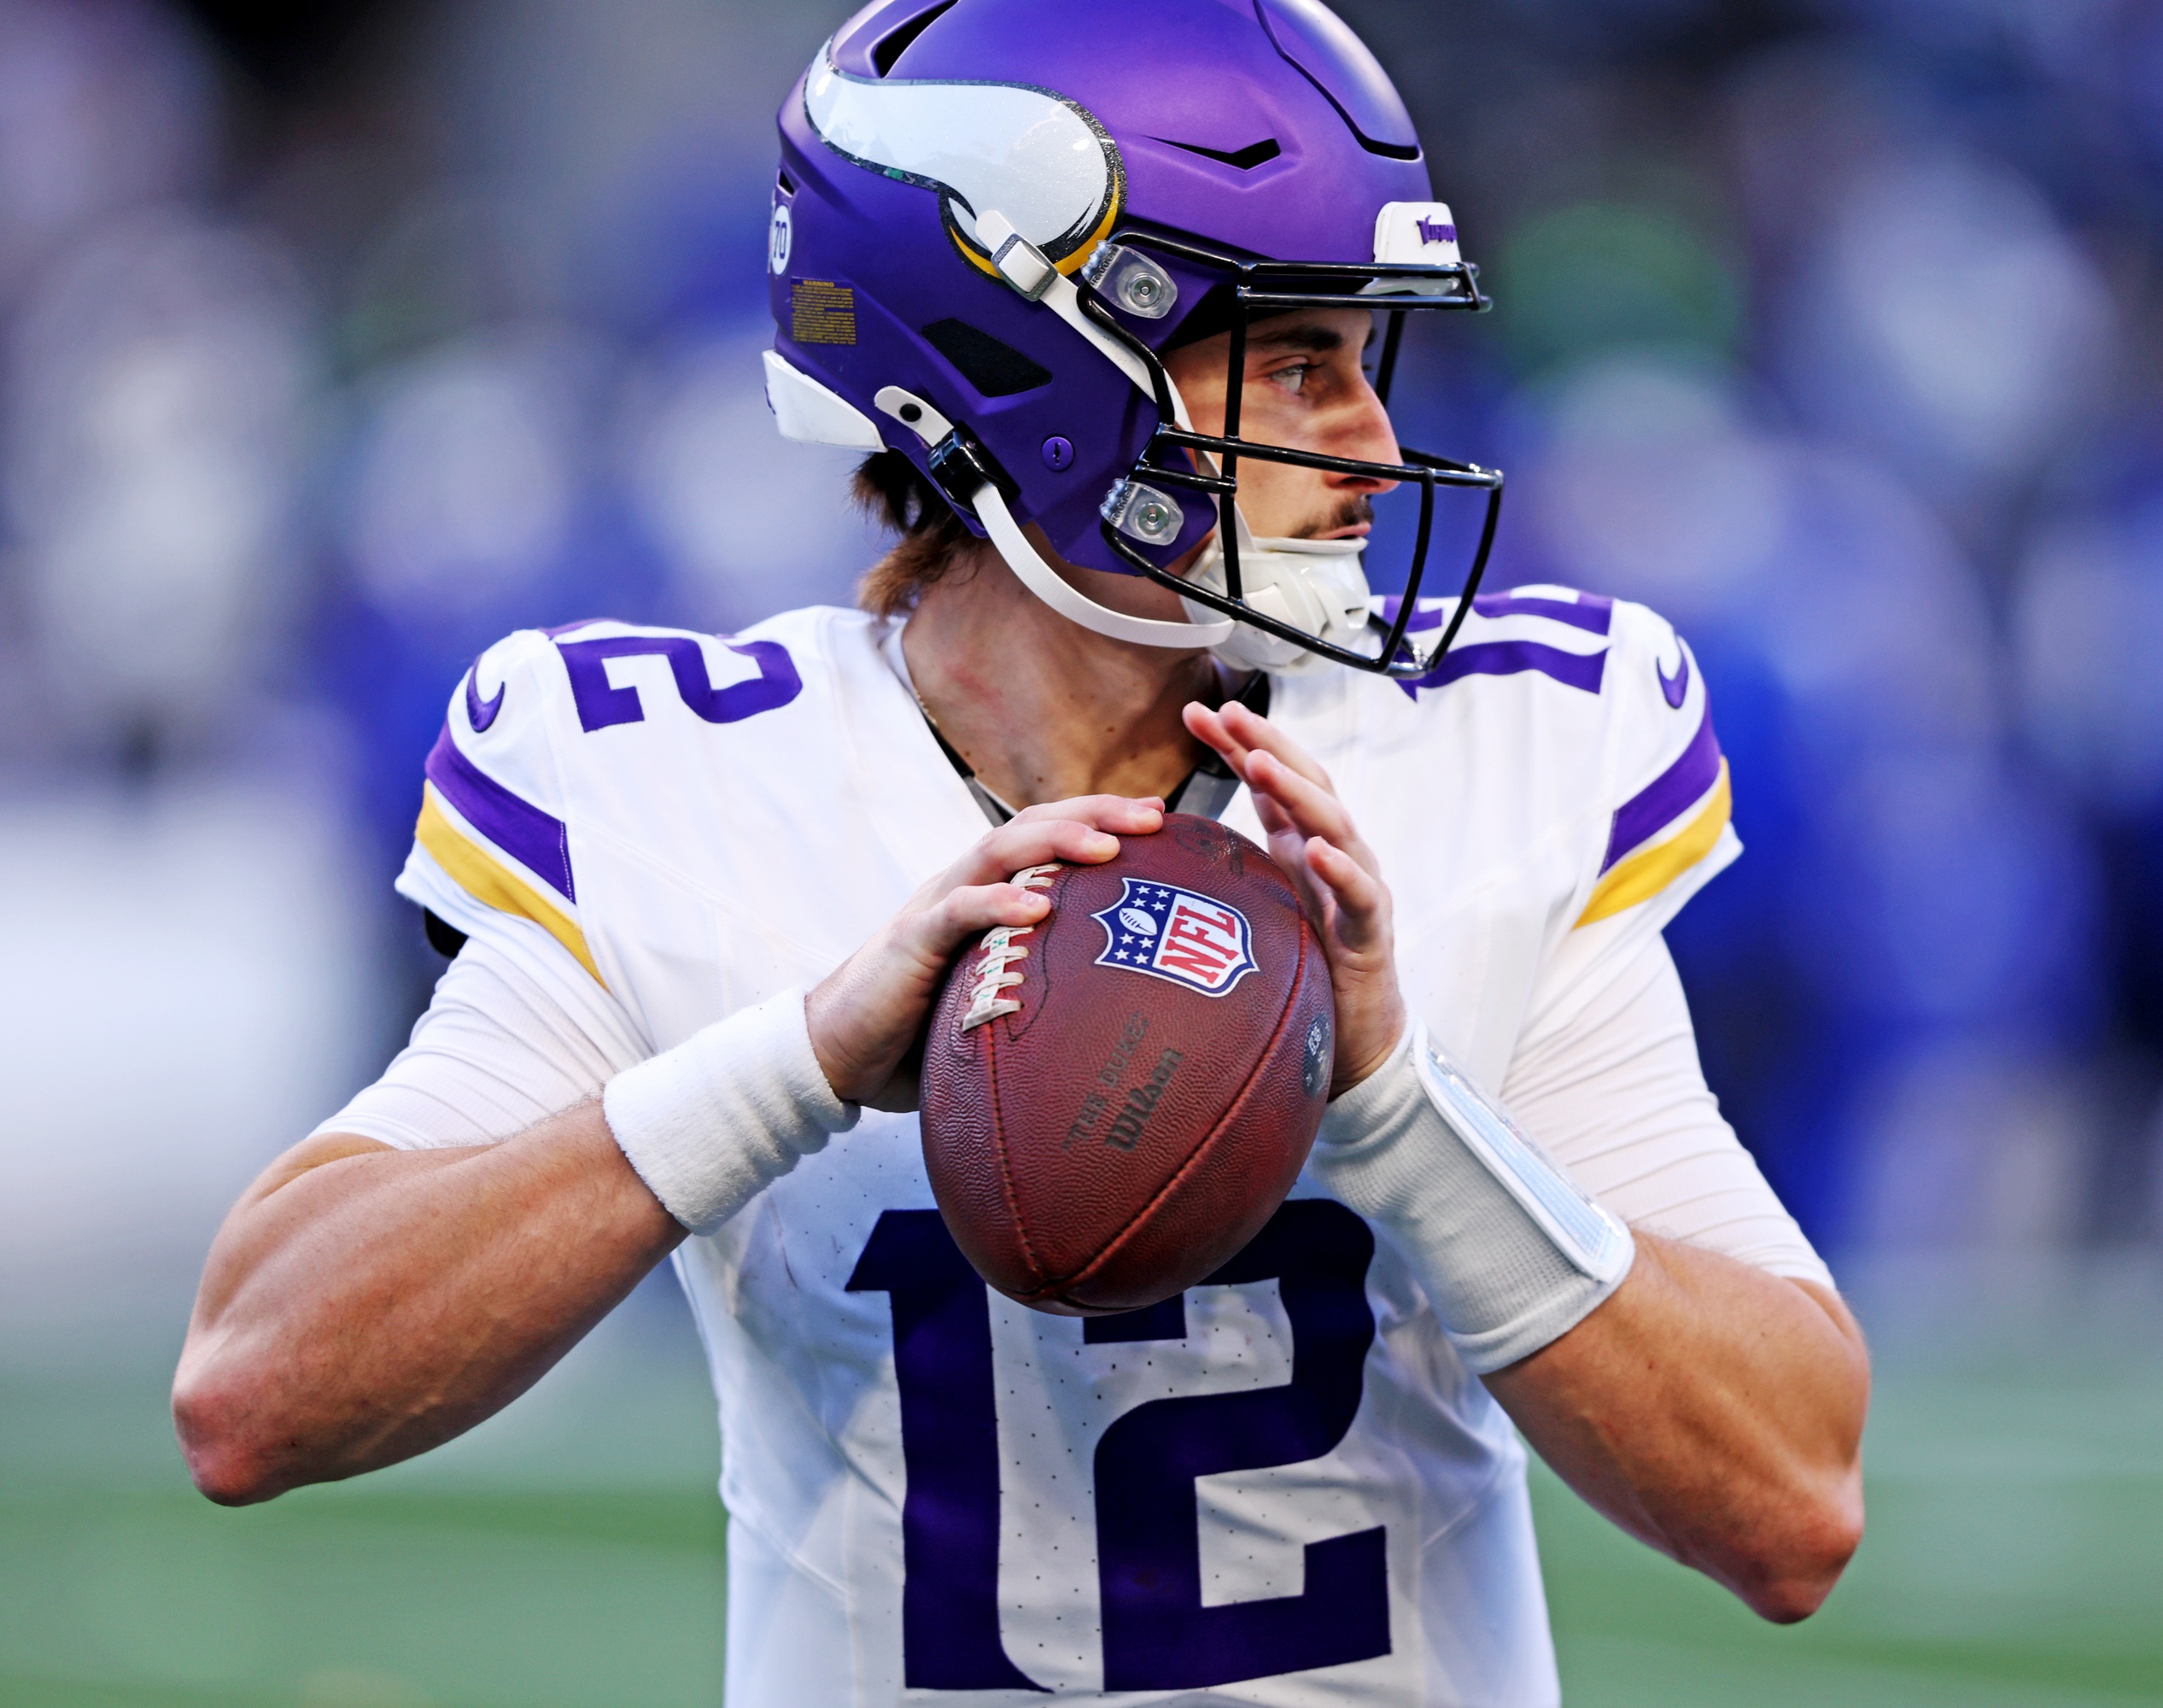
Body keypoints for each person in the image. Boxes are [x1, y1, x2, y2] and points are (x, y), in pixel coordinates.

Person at [173, 3, 1868, 1701]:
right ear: (1036, 372)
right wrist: (796, 1064)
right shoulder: (679, 781)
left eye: (1367, 358)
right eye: (1294, 361)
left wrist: (1400, 1111)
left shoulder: (1494, 750)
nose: (1364, 441)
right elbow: (254, 1386)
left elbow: (1792, 1501)